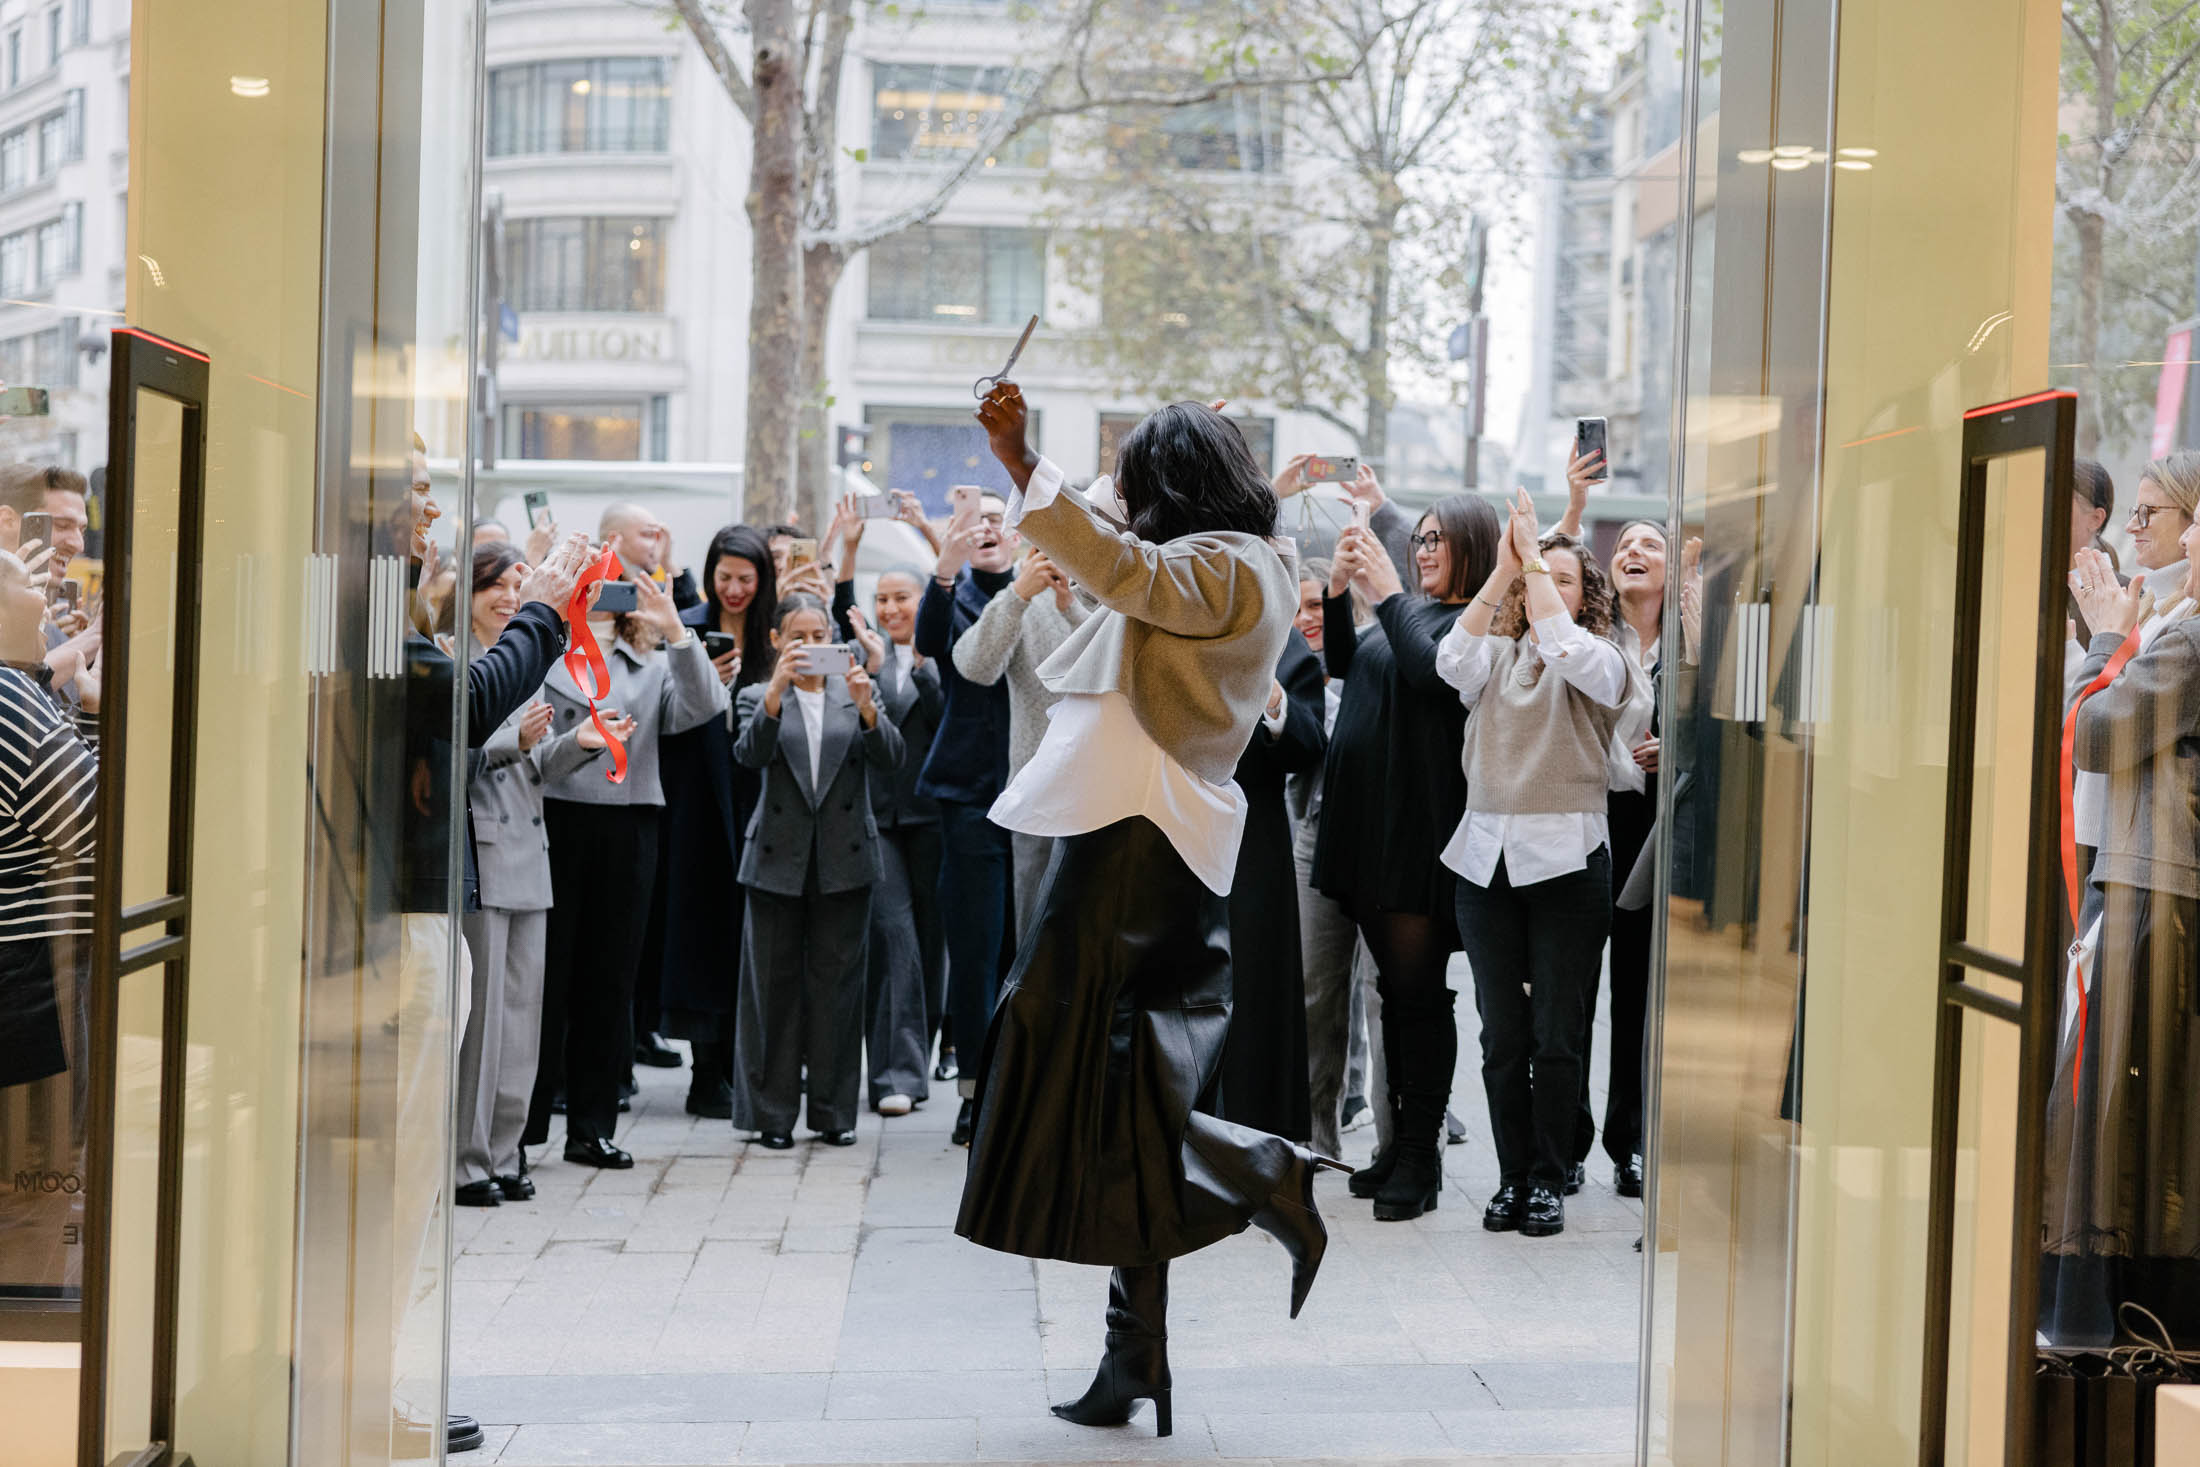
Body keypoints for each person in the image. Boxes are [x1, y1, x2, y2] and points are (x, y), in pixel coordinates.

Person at [958, 387, 1345, 1439]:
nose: (1119, 492)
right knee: (1118, 1096)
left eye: (1134, 474)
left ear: (1172, 485)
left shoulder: (1224, 564)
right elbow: (1112, 565)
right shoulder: (1220, 564)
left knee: (1075, 1062)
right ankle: (1137, 1350)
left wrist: (1019, 456)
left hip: (1141, 838)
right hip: (1134, 831)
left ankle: (1264, 1171)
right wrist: (1057, 480)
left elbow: (1121, 565)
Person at [1439, 502, 1638, 1240]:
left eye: (1564, 579)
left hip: (1568, 864)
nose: (1546, 586)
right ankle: (1512, 1176)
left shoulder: (1604, 660)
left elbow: (1564, 645)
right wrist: (1501, 569)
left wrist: (1535, 560)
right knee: (1502, 1037)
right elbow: (1448, 662)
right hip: (1483, 862)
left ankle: (1551, 1177)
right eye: (1537, 577)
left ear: (1584, 594)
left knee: (1559, 1032)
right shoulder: (1493, 656)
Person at [1316, 491, 1501, 1221]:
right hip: (1367, 830)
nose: (1422, 550)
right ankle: (1397, 1148)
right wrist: (1338, 589)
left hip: (1417, 833)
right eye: (1418, 538)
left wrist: (1385, 591)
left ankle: (1421, 1156)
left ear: (1474, 547)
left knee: (1420, 996)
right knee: (1394, 993)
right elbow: (1340, 659)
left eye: (1437, 539)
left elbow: (1429, 673)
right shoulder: (1398, 614)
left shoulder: (1468, 624)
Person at [2046, 511, 2200, 1344]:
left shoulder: (2189, 638)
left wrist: (2106, 642)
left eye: (2184, 520)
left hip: (2155, 884)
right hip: (2147, 875)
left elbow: (2096, 736)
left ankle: (2113, 1308)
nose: (2178, 539)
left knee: (2115, 1102)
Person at [523, 554, 727, 1169]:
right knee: (546, 978)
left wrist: (674, 628)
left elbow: (704, 706)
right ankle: (524, 1128)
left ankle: (592, 1126)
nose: (603, 596)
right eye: (591, 584)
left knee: (609, 980)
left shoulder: (651, 660)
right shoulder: (547, 654)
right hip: (558, 815)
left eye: (612, 584)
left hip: (631, 819)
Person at [454, 542, 627, 1207]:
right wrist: (512, 741)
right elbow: (457, 757)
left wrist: (574, 746)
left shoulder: (525, 663)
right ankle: (469, 1161)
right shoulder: (464, 664)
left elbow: (530, 767)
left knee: (524, 1021)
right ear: (467, 595)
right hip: (485, 856)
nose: (505, 595)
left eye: (514, 584)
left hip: (532, 858)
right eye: (492, 585)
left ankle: (504, 1149)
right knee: (486, 1023)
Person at [729, 593, 904, 1147]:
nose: (810, 645)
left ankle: (833, 1113)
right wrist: (776, 692)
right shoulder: (758, 694)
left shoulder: (857, 692)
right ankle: (771, 1116)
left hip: (845, 856)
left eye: (819, 634)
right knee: (771, 990)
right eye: (797, 636)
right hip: (776, 858)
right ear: (777, 641)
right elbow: (748, 756)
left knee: (839, 991)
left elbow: (894, 759)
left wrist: (868, 706)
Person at [658, 525, 777, 1118]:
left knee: (752, 934)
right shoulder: (689, 625)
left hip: (759, 796)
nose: (733, 590)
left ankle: (745, 1068)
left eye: (745, 579)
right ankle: (706, 1073)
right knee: (704, 933)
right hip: (700, 799)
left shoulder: (773, 635)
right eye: (724, 577)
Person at [913, 487, 1020, 1143]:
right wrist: (942, 571)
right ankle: (976, 1088)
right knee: (977, 952)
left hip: (1040, 789)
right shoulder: (955, 596)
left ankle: (1022, 1082)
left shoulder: (1044, 583)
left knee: (1023, 949)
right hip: (970, 795)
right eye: (974, 519)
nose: (986, 527)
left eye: (997, 518)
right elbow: (928, 642)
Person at [1580, 521, 1665, 1199]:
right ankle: (1568, 1139)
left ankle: (1628, 1140)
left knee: (1635, 990)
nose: (1633, 553)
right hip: (1584, 814)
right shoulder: (1591, 641)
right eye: (1625, 546)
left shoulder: (1693, 648)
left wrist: (1679, 747)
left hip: (1648, 824)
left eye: (1650, 546)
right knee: (1572, 989)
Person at [1214, 630, 1326, 1141]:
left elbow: (1307, 743)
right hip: (1162, 825)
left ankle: (1255, 1134)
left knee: (1255, 986)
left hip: (1250, 837)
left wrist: (1274, 697)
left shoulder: (1281, 639)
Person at [950, 541, 1088, 938]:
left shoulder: (1126, 598)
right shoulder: (1025, 596)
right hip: (1039, 795)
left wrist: (1073, 609)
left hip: (1118, 799)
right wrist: (1018, 594)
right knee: (1036, 941)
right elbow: (974, 667)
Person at [1287, 559, 1375, 1158]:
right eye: (1295, 609)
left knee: (1380, 990)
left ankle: (1395, 1121)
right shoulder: (1286, 667)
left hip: (1379, 839)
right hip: (1312, 831)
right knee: (1316, 992)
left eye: (1317, 606)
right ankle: (1316, 1140)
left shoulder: (1370, 657)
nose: (1305, 619)